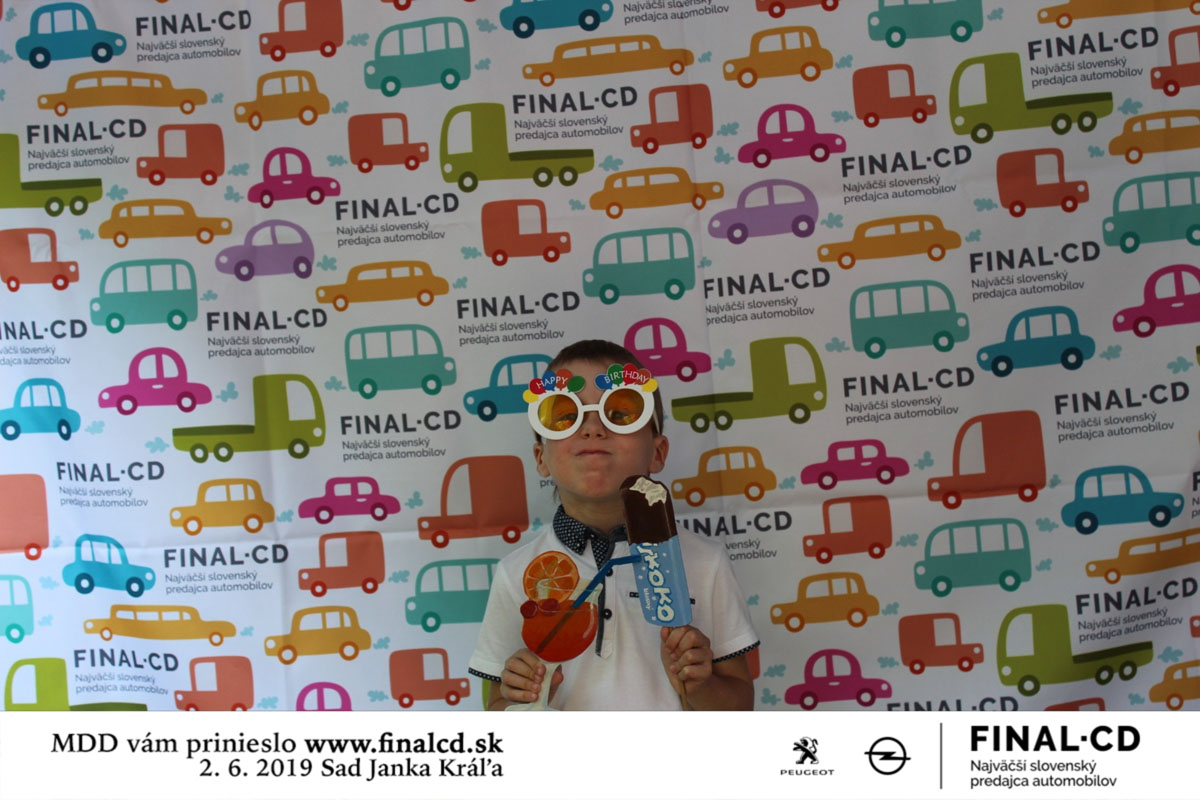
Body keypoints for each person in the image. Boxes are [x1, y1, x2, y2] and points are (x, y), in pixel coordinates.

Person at [469, 339, 758, 710]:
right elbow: (497, 709)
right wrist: (525, 699)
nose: (592, 428)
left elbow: (739, 707)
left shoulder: (706, 564)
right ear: (541, 458)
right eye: (564, 415)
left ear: (658, 452)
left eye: (620, 413)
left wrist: (700, 685)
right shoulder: (515, 575)